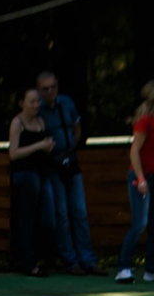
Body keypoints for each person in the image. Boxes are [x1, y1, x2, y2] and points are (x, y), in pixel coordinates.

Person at [33, 71, 96, 274]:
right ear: (39, 90)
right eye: (45, 89)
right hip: (52, 164)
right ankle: (70, 260)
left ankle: (88, 260)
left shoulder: (67, 102)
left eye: (53, 87)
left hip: (70, 160)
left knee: (80, 211)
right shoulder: (37, 109)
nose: (50, 91)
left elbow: (77, 127)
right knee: (61, 214)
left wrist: (71, 148)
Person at [115, 80, 154, 284]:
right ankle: (123, 268)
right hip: (142, 177)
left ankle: (152, 269)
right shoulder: (145, 121)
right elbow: (134, 151)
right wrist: (140, 178)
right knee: (140, 223)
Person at [7, 87, 62, 278]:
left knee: (48, 219)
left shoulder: (40, 121)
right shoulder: (17, 123)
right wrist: (39, 146)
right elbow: (13, 153)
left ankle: (43, 257)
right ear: (21, 103)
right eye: (32, 101)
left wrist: (47, 147)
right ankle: (27, 262)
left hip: (42, 173)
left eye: (38, 101)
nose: (36, 104)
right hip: (25, 175)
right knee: (26, 219)